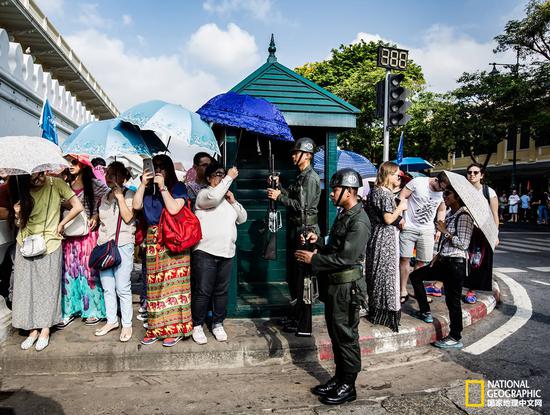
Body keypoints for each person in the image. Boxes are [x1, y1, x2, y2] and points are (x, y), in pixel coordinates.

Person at [295, 168, 370, 405]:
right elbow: (336, 246)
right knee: (336, 335)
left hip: (348, 288)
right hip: (336, 285)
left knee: (346, 336)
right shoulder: (345, 214)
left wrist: (313, 259)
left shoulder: (359, 220)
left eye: (335, 189)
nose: (331, 194)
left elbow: (346, 258)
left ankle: (349, 385)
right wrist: (320, 243)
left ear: (349, 192)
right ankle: (339, 379)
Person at [9, 173, 83, 351]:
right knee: (26, 288)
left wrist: (61, 224)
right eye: (34, 176)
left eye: (41, 174)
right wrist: (17, 214)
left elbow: (77, 206)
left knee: (48, 287)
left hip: (49, 243)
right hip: (25, 244)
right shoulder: (22, 189)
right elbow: (20, 224)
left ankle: (45, 330)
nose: (39, 178)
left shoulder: (55, 184)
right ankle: (32, 330)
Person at [132, 154, 192, 347]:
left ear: (168, 170)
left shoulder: (178, 187)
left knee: (173, 286)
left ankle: (174, 329)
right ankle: (155, 328)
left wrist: (164, 187)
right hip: (153, 239)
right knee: (154, 286)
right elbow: (136, 206)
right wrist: (143, 183)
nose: (157, 170)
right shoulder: (148, 190)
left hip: (173, 239)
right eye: (153, 166)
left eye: (161, 167)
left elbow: (174, 209)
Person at [267, 137, 321, 337]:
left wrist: (278, 197)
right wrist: (279, 187)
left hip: (305, 231)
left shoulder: (310, 178)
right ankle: (296, 316)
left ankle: (303, 324)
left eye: (296, 152)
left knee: (303, 279)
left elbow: (302, 208)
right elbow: (293, 195)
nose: (293, 155)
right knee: (294, 277)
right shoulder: (301, 176)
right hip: (297, 229)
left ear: (307, 155)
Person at [409, 185, 474, 349]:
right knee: (415, 276)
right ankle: (425, 311)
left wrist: (445, 231)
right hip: (444, 261)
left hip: (455, 265)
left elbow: (463, 244)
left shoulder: (464, 216)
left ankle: (455, 336)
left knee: (453, 302)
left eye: (448, 194)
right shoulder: (452, 214)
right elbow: (448, 243)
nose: (444, 196)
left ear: (457, 196)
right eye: (444, 193)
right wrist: (437, 256)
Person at [191, 163, 247, 344]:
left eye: (223, 174)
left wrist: (233, 201)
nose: (221, 177)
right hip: (205, 251)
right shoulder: (204, 195)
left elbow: (242, 217)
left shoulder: (225, 198)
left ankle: (217, 323)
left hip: (227, 252)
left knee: (221, 291)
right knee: (203, 291)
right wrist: (230, 177)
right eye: (217, 174)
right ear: (208, 178)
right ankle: (197, 324)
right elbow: (214, 198)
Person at [59, 155, 110, 328]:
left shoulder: (95, 184)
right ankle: (71, 310)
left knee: (89, 274)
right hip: (69, 238)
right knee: (69, 274)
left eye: (74, 162)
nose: (70, 165)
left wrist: (96, 214)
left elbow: (109, 199)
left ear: (83, 164)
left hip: (87, 236)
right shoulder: (65, 185)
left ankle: (94, 310)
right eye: (68, 163)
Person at [94, 162, 135, 342]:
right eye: (108, 174)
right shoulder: (104, 196)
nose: (109, 177)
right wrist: (94, 217)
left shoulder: (129, 194)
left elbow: (128, 217)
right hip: (104, 246)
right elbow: (102, 217)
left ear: (123, 177)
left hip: (123, 245)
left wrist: (120, 197)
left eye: (113, 174)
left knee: (122, 288)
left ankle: (126, 324)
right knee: (108, 287)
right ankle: (112, 321)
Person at [365, 162, 408, 332]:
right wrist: (401, 207)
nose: (400, 178)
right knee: (386, 275)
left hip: (380, 238)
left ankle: (378, 311)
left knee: (380, 274)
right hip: (385, 240)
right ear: (388, 175)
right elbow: (389, 219)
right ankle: (385, 313)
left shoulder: (378, 191)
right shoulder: (383, 193)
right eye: (397, 175)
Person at [398, 172, 447, 300]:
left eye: (444, 189)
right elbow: (402, 196)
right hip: (409, 226)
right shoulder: (418, 182)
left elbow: (441, 210)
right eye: (440, 187)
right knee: (405, 259)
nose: (441, 190)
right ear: (436, 180)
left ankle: (417, 290)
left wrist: (439, 228)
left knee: (422, 262)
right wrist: (400, 217)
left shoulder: (443, 191)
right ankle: (402, 290)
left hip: (427, 230)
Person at [463, 163, 499, 304]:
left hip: (482, 232)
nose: (472, 175)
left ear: (482, 175)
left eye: (475, 172)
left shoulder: (489, 192)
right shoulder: (463, 191)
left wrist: (494, 235)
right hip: (465, 229)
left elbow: (495, 215)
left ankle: (471, 291)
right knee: (458, 259)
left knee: (476, 262)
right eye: (469, 172)